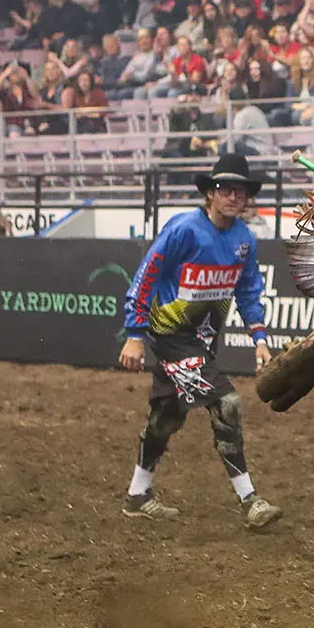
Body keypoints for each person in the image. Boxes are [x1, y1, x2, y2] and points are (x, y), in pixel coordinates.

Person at [118, 154, 280, 530]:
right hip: (170, 333)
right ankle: (249, 500)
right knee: (227, 402)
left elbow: (249, 291)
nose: (234, 197)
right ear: (210, 193)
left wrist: (259, 338)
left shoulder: (244, 241)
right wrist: (135, 333)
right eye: (226, 189)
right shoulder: (183, 230)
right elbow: (146, 276)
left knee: (167, 416)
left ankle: (137, 495)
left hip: (201, 341)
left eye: (241, 191)